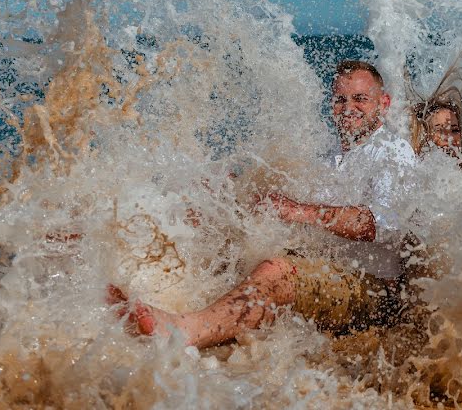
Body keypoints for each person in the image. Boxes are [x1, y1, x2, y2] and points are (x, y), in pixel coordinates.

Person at [108, 60, 421, 348]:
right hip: (326, 269)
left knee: (277, 271)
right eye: (341, 100)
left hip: (374, 290)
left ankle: (184, 332)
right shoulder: (326, 154)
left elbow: (382, 224)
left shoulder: (393, 152)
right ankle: (142, 294)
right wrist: (229, 193)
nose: (348, 107)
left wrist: (296, 210)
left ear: (383, 103)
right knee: (223, 240)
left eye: (360, 99)